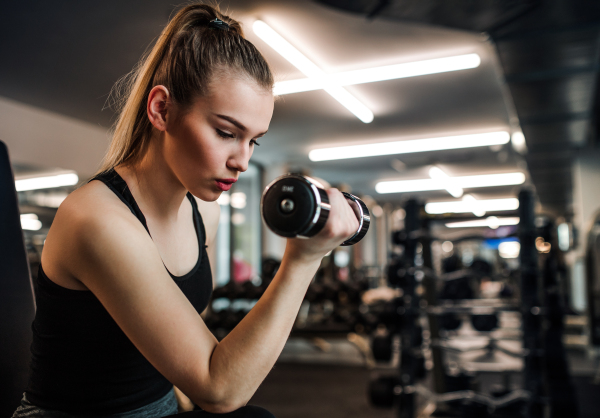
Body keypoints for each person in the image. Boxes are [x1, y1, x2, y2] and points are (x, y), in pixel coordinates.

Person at [12, 3, 359, 417]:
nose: (242, 161)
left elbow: (185, 351)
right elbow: (220, 390)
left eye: (254, 141)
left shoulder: (201, 212)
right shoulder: (97, 220)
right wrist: (304, 258)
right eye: (226, 133)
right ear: (161, 109)